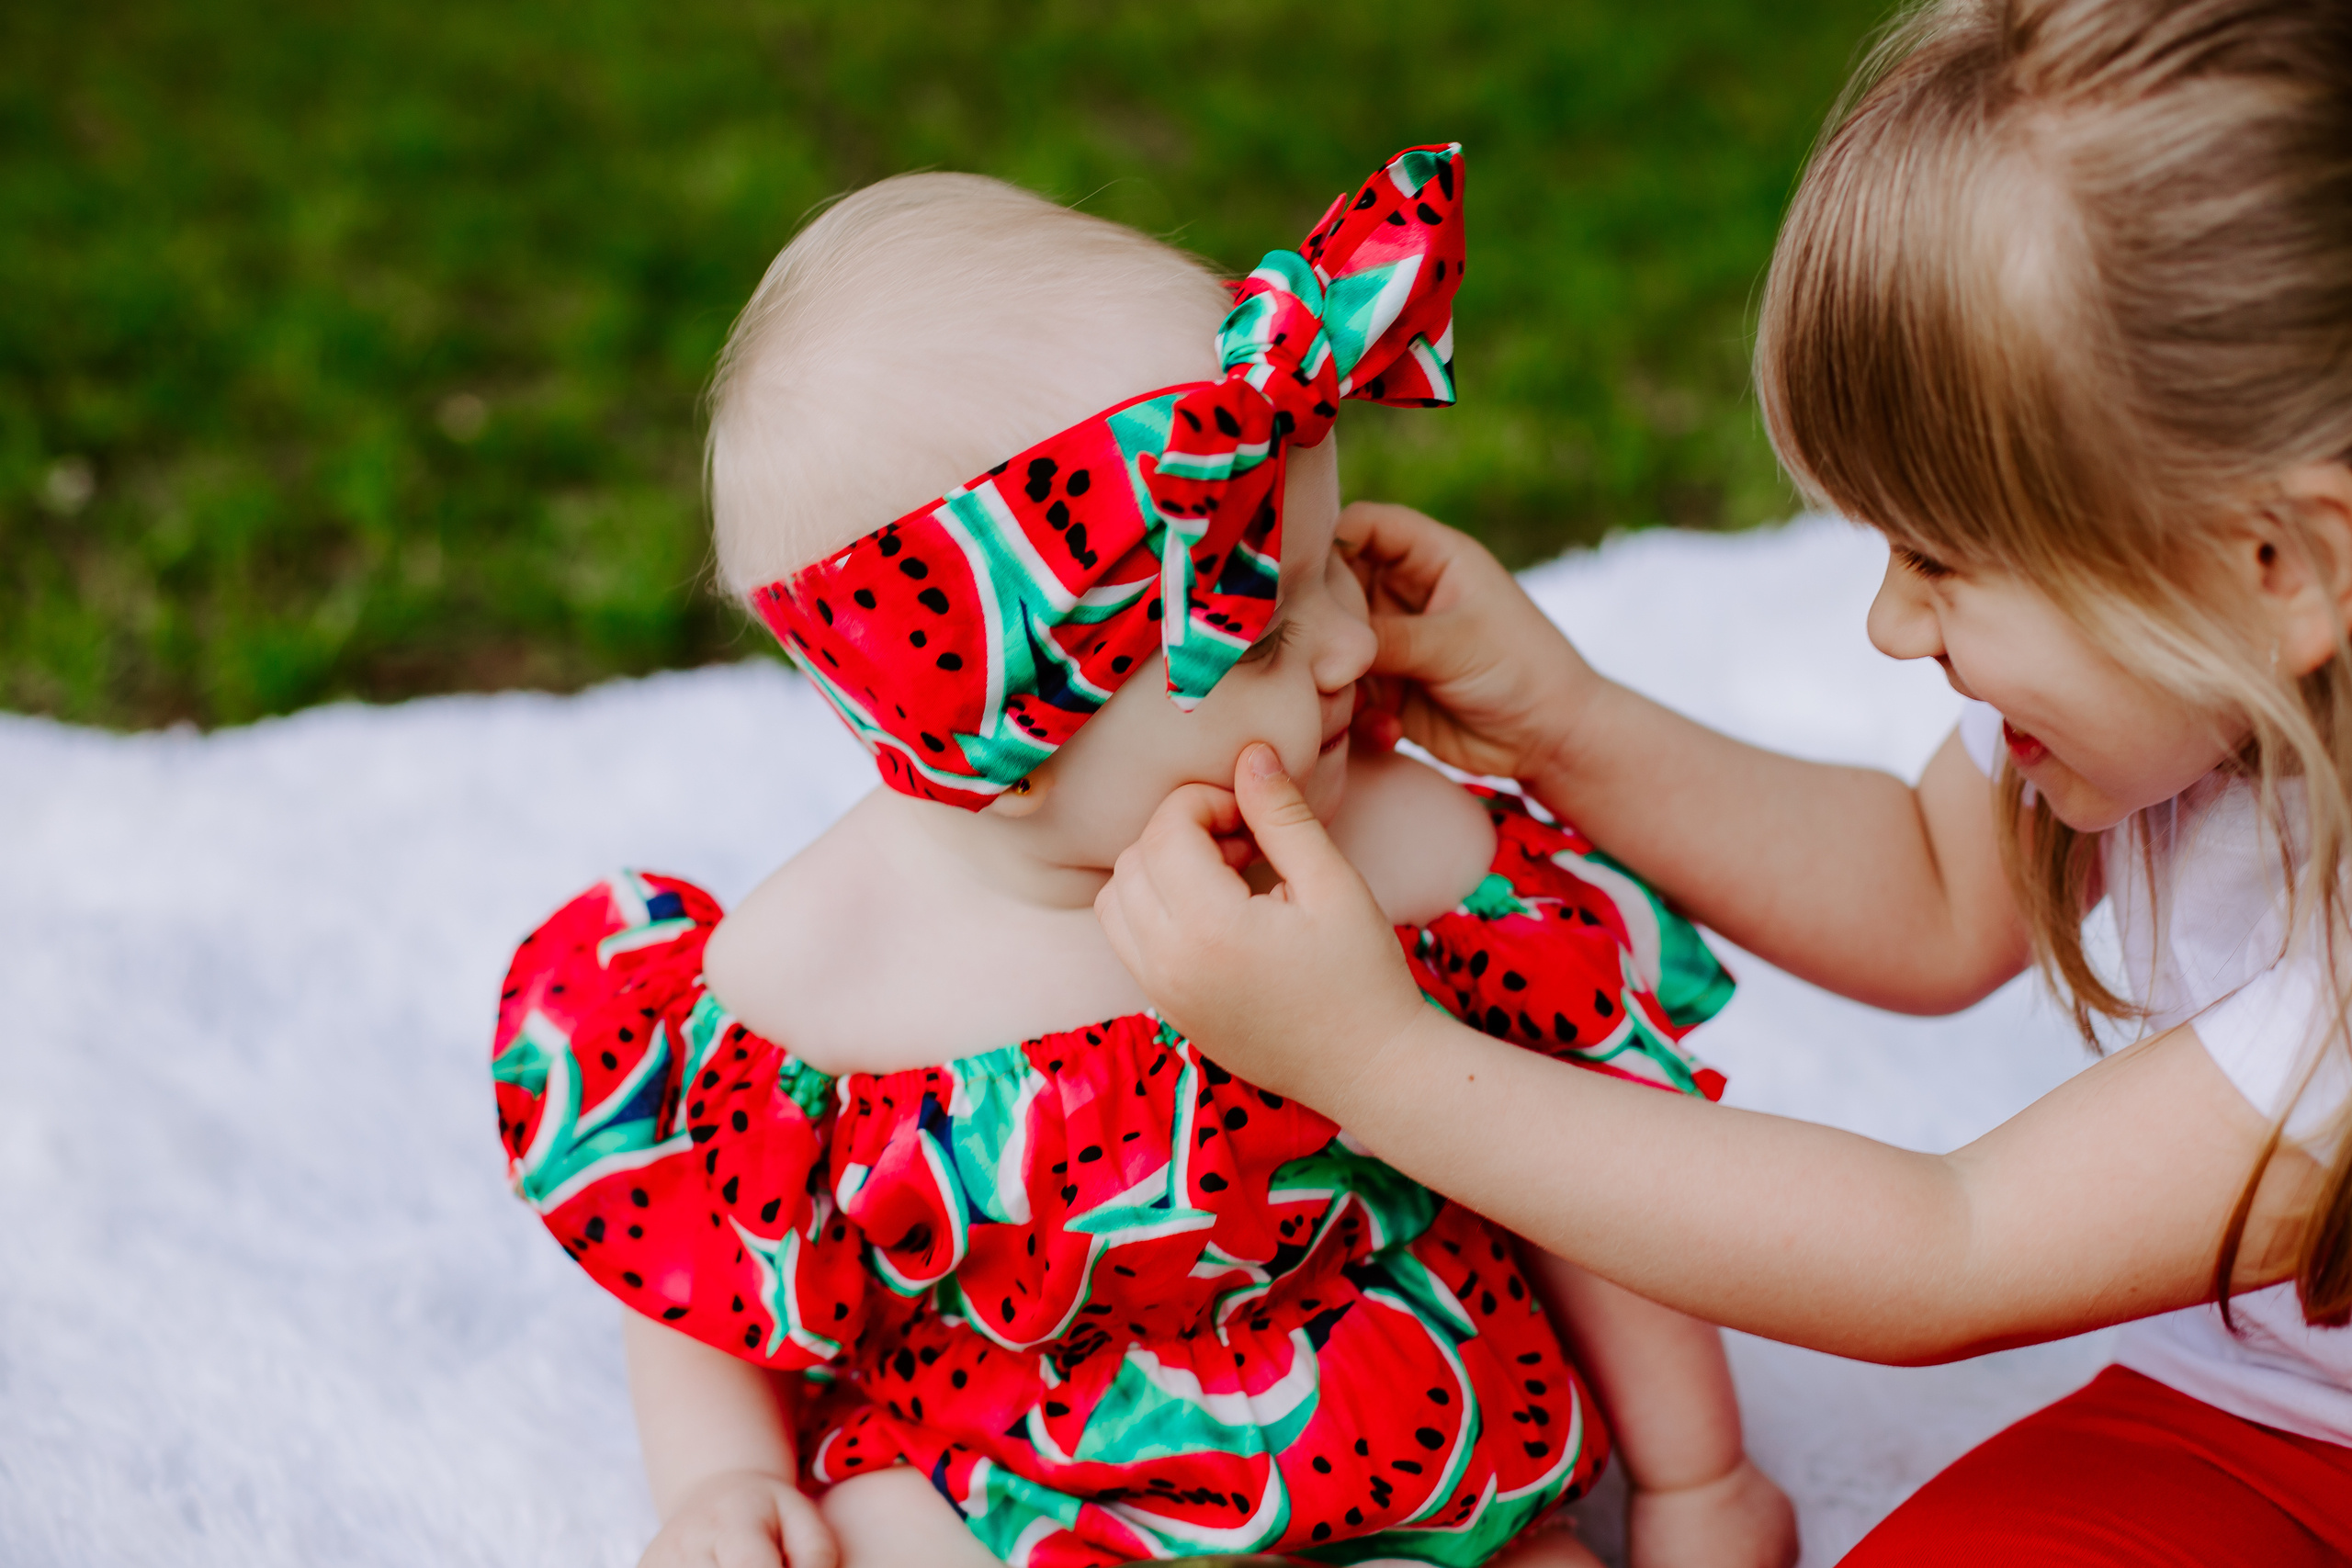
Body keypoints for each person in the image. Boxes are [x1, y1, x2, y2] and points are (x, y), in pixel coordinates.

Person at [1094, 3, 2352, 1562]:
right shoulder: (2195, 681)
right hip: (2263, 1415)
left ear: (2279, 565)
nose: (1891, 627)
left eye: (1946, 561)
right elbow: (1929, 890)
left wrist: (1373, 1061)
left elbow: (1947, 1249)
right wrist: (1564, 720)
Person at [489, 149, 1796, 1568]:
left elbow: (1589, 1179)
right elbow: (705, 1271)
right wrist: (721, 1484)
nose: (1354, 643)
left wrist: (1696, 1477)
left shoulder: (1411, 857)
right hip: (1011, 1472)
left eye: (1333, 570)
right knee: (865, 1538)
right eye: (1270, 630)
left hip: (1394, 1438)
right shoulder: (815, 975)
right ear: (1002, 741)